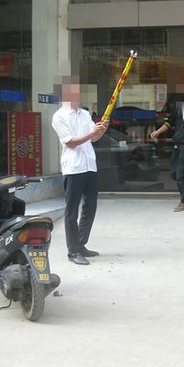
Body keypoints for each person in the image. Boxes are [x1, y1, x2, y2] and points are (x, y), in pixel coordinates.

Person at [51, 77, 109, 265]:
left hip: (89, 165)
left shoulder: (84, 114)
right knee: (71, 210)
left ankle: (81, 243)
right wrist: (92, 133)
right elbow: (70, 142)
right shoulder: (59, 116)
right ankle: (72, 250)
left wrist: (101, 129)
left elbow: (93, 138)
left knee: (90, 206)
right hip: (74, 168)